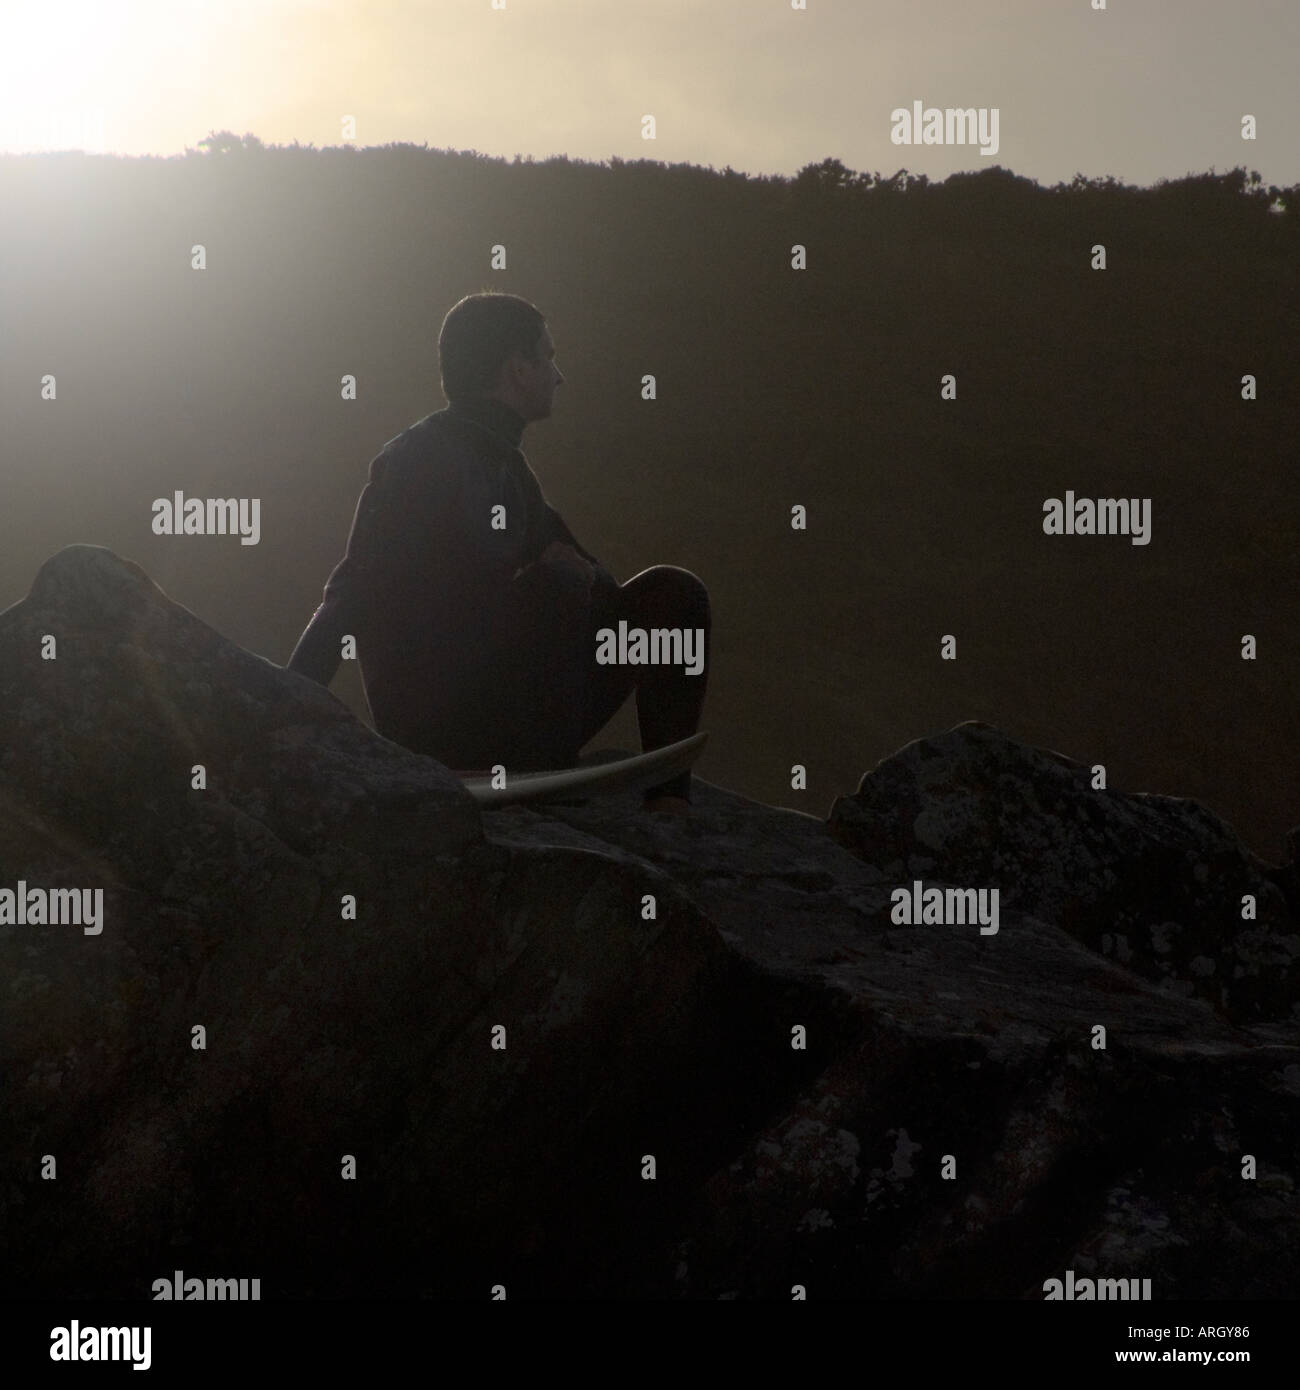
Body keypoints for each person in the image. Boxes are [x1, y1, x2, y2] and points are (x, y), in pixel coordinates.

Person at [286, 292, 710, 812]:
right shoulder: (419, 458)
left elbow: (597, 581)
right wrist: (284, 712)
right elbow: (350, 592)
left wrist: (592, 587)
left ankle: (669, 802)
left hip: (514, 711)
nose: (560, 375)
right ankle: (514, 764)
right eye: (549, 358)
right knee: (558, 585)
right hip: (441, 727)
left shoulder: (511, 471)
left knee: (673, 597)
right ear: (518, 370)